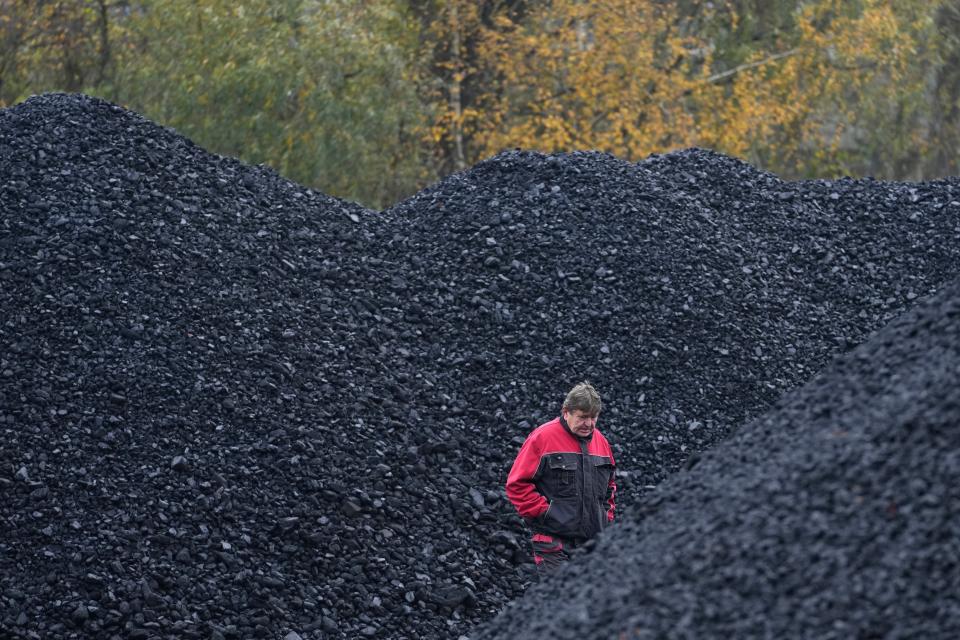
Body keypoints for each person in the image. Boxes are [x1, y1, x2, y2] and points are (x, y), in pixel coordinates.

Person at [506, 381, 616, 572]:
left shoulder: (602, 443)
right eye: (582, 417)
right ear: (566, 412)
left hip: (591, 546)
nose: (589, 424)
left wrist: (606, 518)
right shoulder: (543, 438)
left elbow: (610, 488)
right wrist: (545, 514)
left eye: (593, 417)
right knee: (559, 598)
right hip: (552, 543)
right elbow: (517, 484)